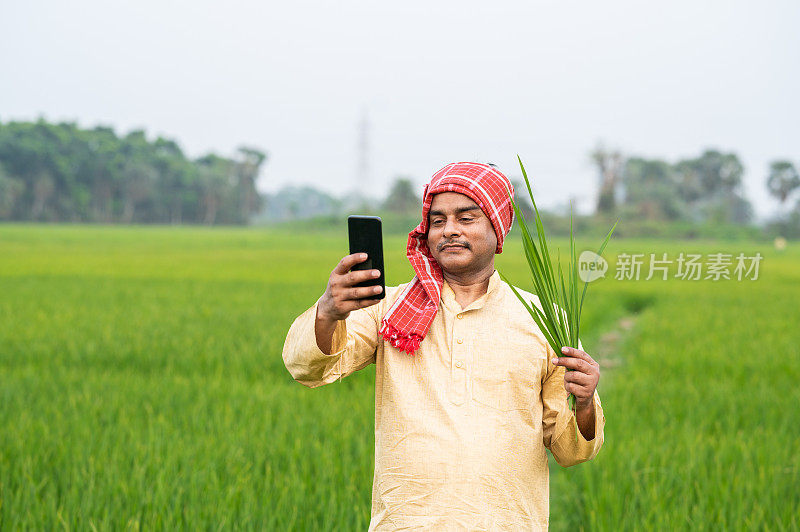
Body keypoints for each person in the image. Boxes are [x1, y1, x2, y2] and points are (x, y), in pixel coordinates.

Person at [282, 161, 605, 530]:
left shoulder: (543, 319)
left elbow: (570, 450)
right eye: (438, 221)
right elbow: (309, 368)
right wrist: (327, 312)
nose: (449, 230)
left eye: (466, 219)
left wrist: (584, 401)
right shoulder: (390, 309)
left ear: (497, 230)